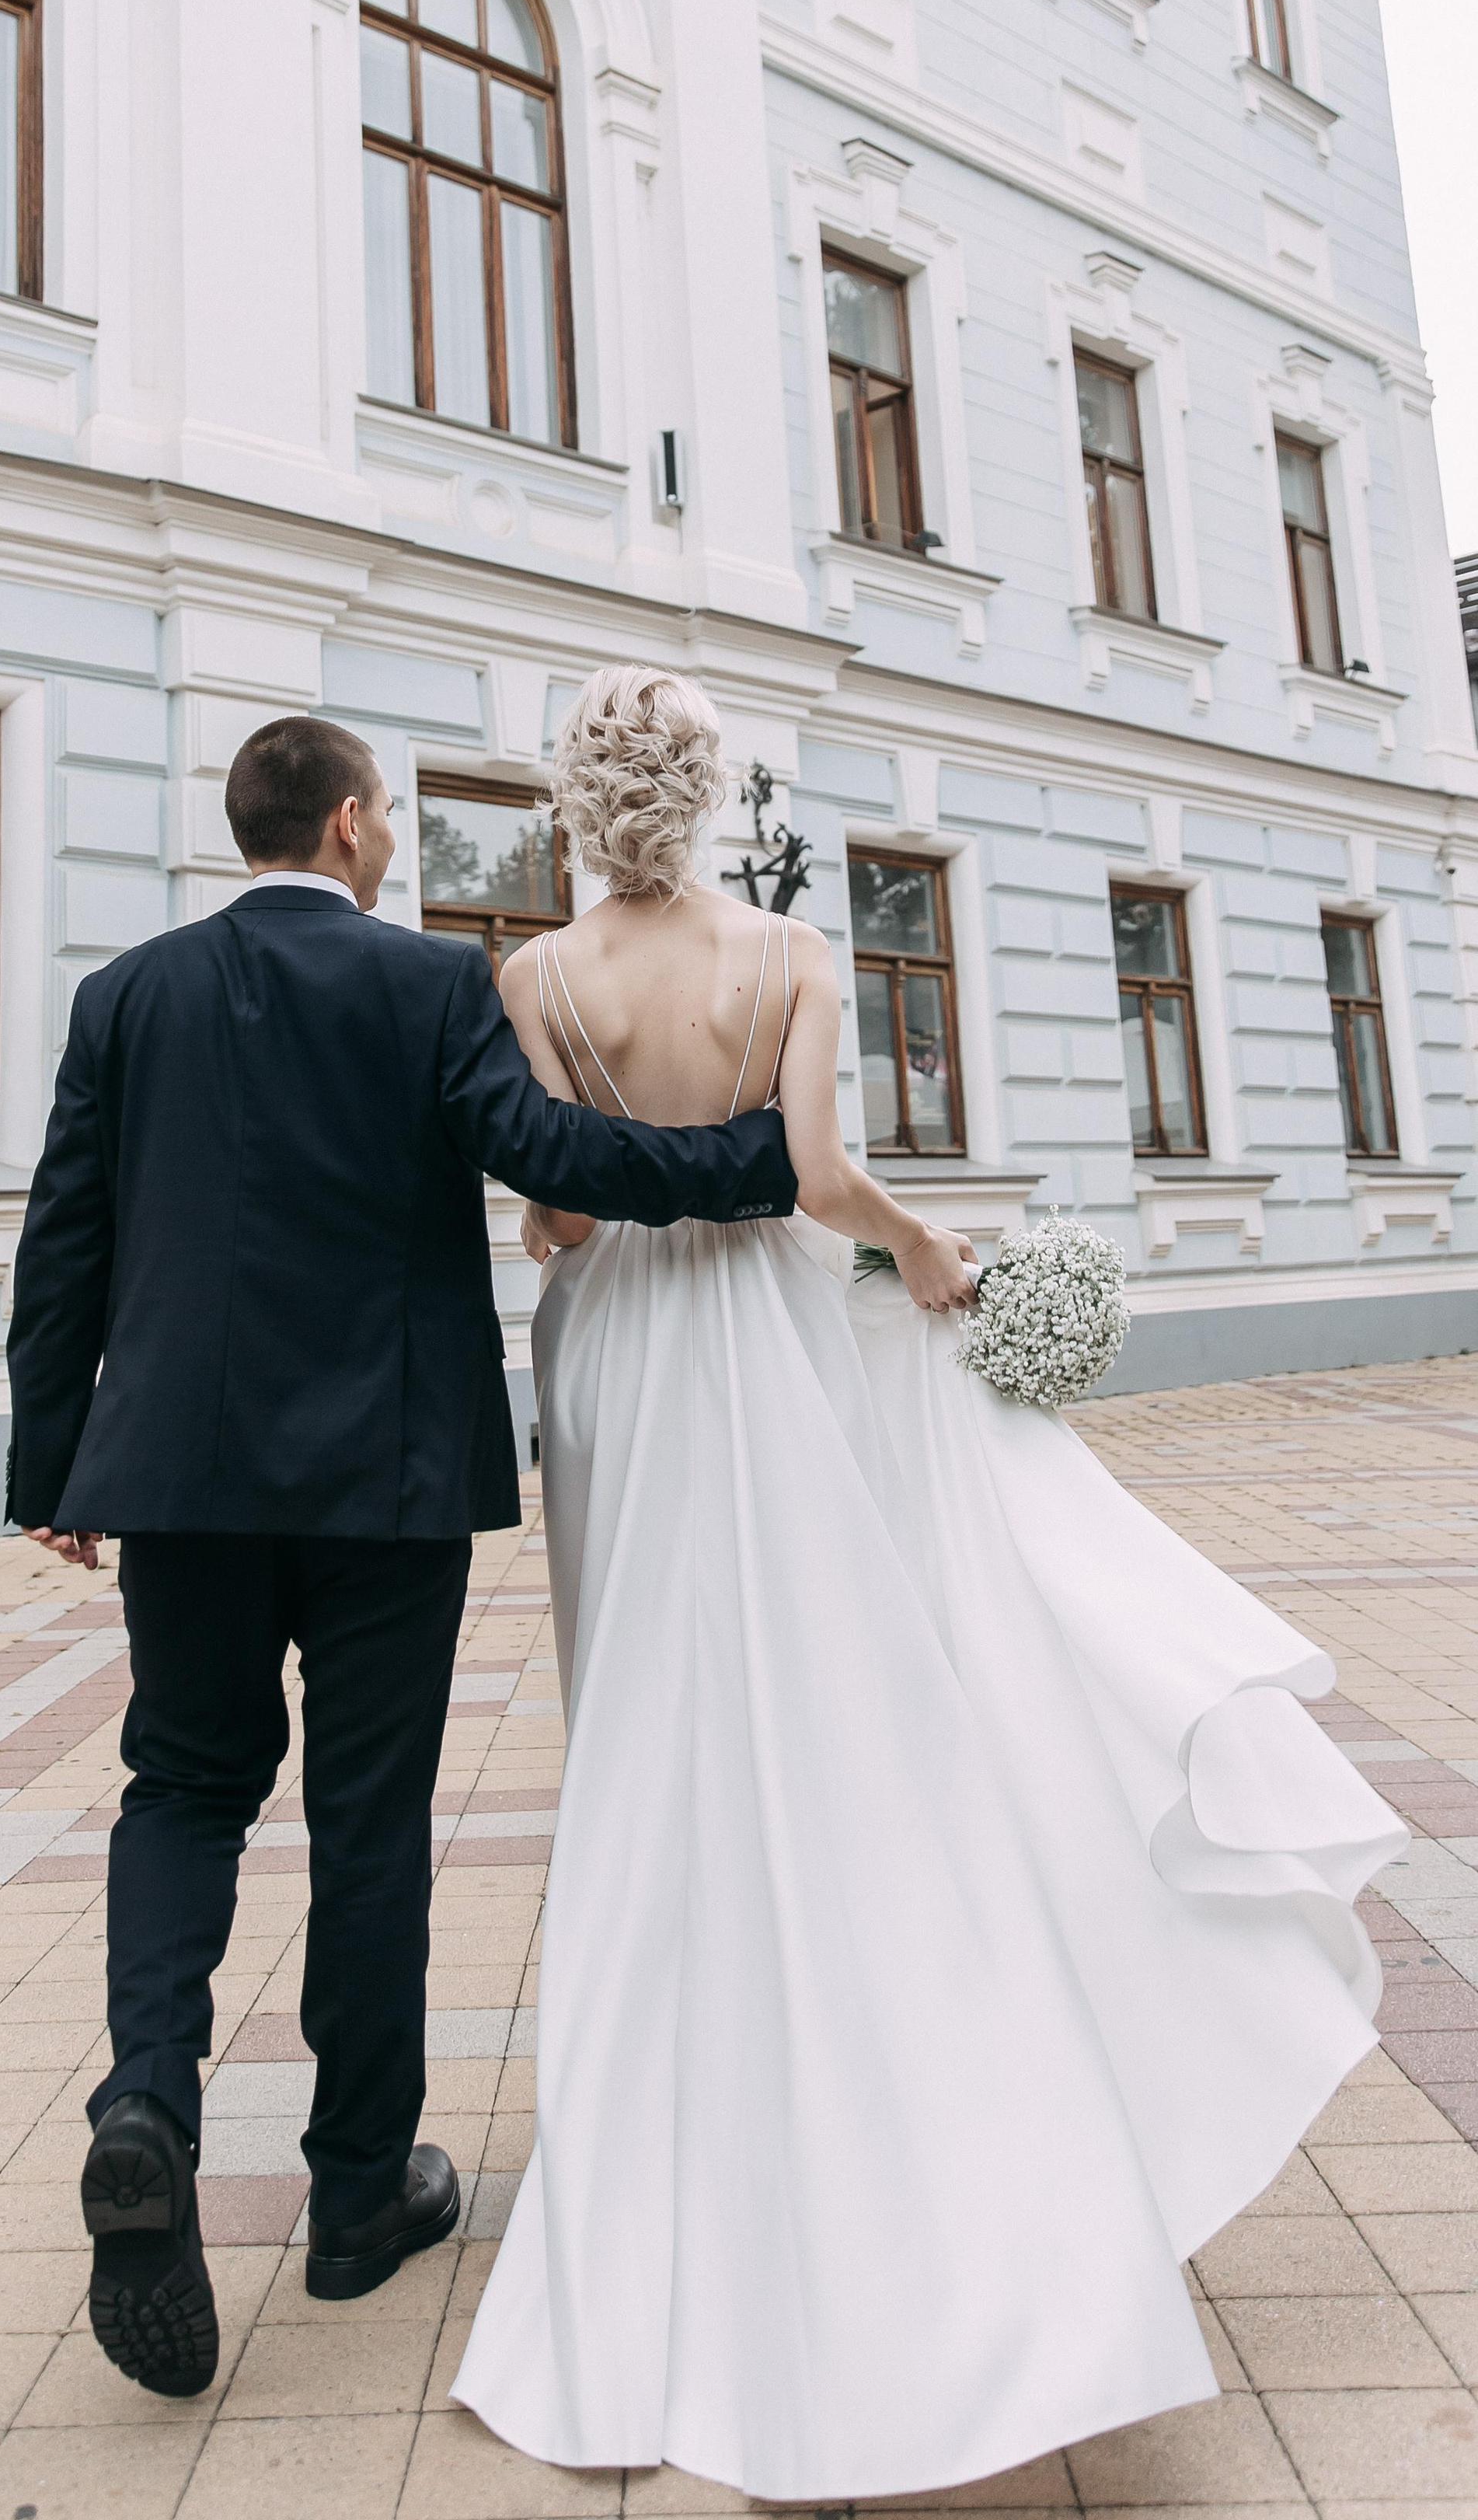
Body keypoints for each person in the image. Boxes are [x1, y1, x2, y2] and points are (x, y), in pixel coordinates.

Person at [450, 663, 1405, 2505]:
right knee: (821, 1702)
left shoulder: (534, 979)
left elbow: (555, 1214)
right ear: (702, 792)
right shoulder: (787, 956)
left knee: (645, 1728)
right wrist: (925, 1248)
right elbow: (814, 1178)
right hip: (770, 1338)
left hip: (618, 1351)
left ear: (575, 801)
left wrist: (605, 1205)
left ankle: (649, 2179)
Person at [2, 712, 803, 2400]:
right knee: (367, 1825)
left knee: (182, 1787)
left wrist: (51, 1465)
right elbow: (550, 1154)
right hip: (387, 1479)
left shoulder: (125, 997)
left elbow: (63, 1236)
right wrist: (754, 1158)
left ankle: (146, 2102)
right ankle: (359, 2197)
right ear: (353, 825)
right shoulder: (430, 983)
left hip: (182, 1480)